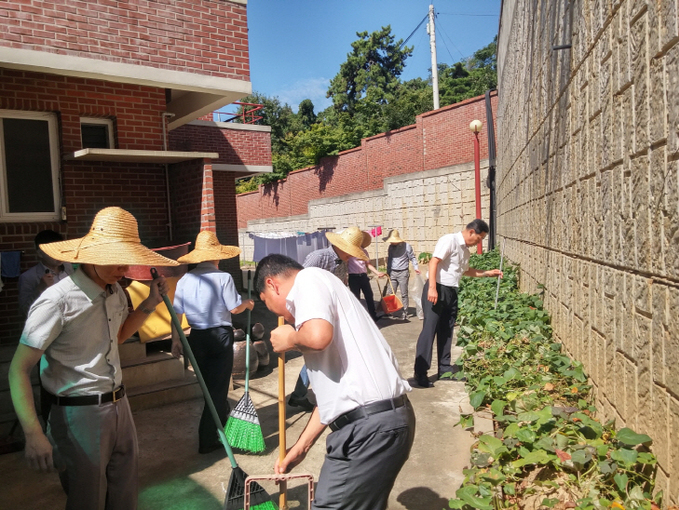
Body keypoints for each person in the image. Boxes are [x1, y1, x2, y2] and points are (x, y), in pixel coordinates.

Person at [8, 206, 177, 510]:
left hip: (119, 405)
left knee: (124, 494)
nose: (123, 268)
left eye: (127, 258)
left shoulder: (116, 293)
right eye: (115, 257)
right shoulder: (56, 300)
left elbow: (120, 336)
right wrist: (33, 432)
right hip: (77, 414)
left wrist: (150, 302)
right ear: (92, 254)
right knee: (88, 499)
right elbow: (18, 369)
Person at [254, 254, 415, 510]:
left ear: (272, 285)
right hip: (384, 422)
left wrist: (291, 338)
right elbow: (333, 399)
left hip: (368, 429)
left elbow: (318, 337)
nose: (278, 314)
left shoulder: (308, 278)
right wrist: (301, 447)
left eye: (268, 303)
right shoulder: (329, 298)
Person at [170, 230, 255, 454]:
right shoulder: (223, 278)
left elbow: (176, 313)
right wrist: (247, 303)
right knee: (216, 391)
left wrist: (175, 339)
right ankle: (208, 440)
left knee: (210, 387)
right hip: (219, 337)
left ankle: (222, 421)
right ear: (216, 256)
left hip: (196, 338)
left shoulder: (185, 279)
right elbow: (234, 308)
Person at [413, 219, 503, 388]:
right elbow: (434, 262)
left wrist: (487, 273)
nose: (479, 242)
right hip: (437, 289)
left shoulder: (465, 251)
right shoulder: (450, 240)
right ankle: (420, 372)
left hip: (452, 291)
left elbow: (466, 271)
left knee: (447, 330)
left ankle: (444, 369)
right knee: (429, 330)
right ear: (471, 232)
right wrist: (432, 287)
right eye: (479, 238)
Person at [288, 226, 369, 412]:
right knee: (316, 354)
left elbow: (339, 286)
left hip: (330, 314)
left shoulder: (343, 262)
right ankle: (303, 394)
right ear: (340, 246)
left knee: (325, 354)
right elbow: (300, 284)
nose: (351, 255)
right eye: (350, 251)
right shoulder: (319, 257)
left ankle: (305, 394)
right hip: (313, 314)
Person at [18, 230, 74, 317]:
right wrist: (40, 289)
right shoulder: (28, 277)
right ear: (40, 253)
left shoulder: (68, 268)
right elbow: (25, 311)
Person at [382, 229, 420, 321]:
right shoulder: (391, 247)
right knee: (391, 293)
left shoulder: (407, 247)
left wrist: (416, 268)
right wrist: (388, 272)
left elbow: (412, 258)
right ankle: (391, 311)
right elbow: (390, 259)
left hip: (403, 272)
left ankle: (405, 312)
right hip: (393, 273)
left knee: (404, 293)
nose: (392, 243)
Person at [347, 230, 384, 322]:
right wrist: (345, 277)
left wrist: (377, 272)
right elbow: (345, 264)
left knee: (369, 296)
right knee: (356, 298)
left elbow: (368, 264)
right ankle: (357, 318)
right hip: (353, 277)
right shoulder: (349, 251)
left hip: (363, 276)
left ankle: (373, 316)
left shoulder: (364, 252)